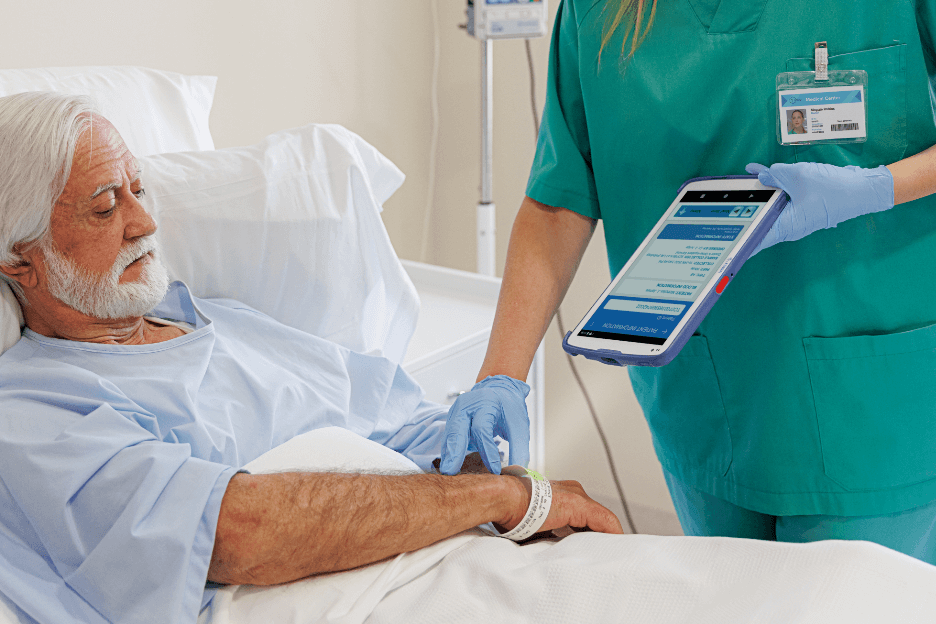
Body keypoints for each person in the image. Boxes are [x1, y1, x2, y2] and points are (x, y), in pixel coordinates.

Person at [0, 92, 622, 624]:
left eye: (138, 190)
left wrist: (488, 469)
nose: (143, 221)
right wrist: (502, 498)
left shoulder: (226, 321)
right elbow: (233, 535)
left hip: (460, 558)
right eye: (105, 206)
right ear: (18, 258)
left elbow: (401, 423)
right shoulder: (36, 405)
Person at [441, 0, 936, 566]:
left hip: (879, 410)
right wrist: (502, 372)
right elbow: (561, 198)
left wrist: (880, 186)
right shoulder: (596, 13)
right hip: (705, 408)